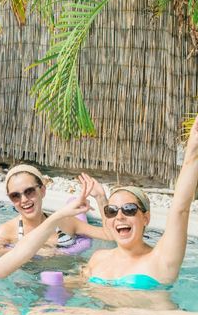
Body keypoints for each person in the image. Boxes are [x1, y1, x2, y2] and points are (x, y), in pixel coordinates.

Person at [83, 114, 198, 288]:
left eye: (129, 209)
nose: (119, 216)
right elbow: (75, 288)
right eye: (112, 211)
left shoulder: (161, 259)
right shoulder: (98, 258)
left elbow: (180, 209)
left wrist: (193, 151)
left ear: (146, 218)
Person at [0, 165, 110, 256]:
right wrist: (32, 252)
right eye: (15, 195)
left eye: (29, 191)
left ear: (42, 190)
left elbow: (108, 235)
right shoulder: (7, 230)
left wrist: (100, 198)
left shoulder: (66, 222)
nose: (24, 200)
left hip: (71, 280)